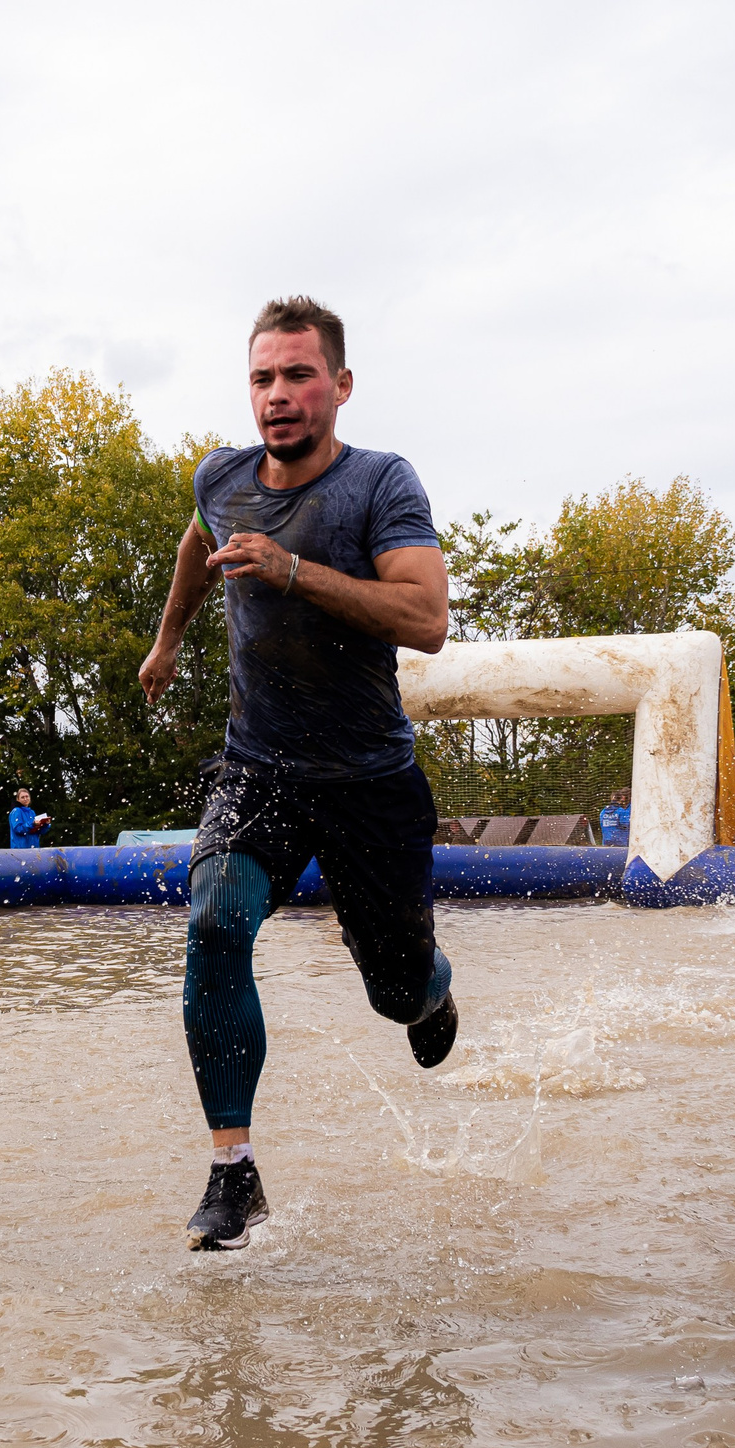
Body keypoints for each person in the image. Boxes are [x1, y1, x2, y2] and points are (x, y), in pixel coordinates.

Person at [136, 295, 455, 1252]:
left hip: (368, 778)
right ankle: (234, 1175)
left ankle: (430, 988)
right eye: (264, 378)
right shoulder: (220, 477)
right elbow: (198, 543)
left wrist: (293, 570)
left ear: (340, 386)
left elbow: (426, 619)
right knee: (215, 918)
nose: (279, 396)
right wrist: (167, 642)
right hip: (259, 766)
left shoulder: (380, 485)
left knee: (392, 991)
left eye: (299, 375)